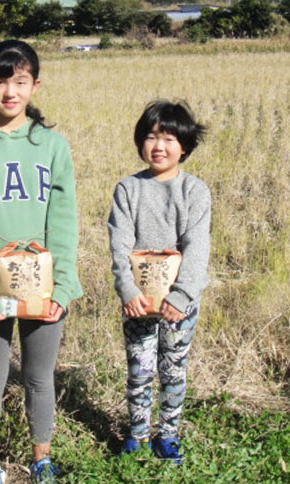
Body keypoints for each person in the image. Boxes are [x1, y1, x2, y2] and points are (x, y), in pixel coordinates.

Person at [0, 39, 82, 484]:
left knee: (40, 378)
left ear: (35, 85)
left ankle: (41, 457)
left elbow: (64, 222)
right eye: (1, 81)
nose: (10, 92)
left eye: (20, 81)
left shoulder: (53, 146)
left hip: (43, 286)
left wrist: (62, 286)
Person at [108, 100, 210, 466]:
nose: (159, 146)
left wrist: (182, 295)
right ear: (140, 142)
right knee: (139, 369)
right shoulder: (128, 189)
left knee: (173, 369)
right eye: (151, 137)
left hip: (179, 305)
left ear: (184, 145)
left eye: (168, 138)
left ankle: (167, 435)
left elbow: (197, 248)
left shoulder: (195, 192)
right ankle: (136, 432)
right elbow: (119, 244)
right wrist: (128, 290)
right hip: (138, 302)